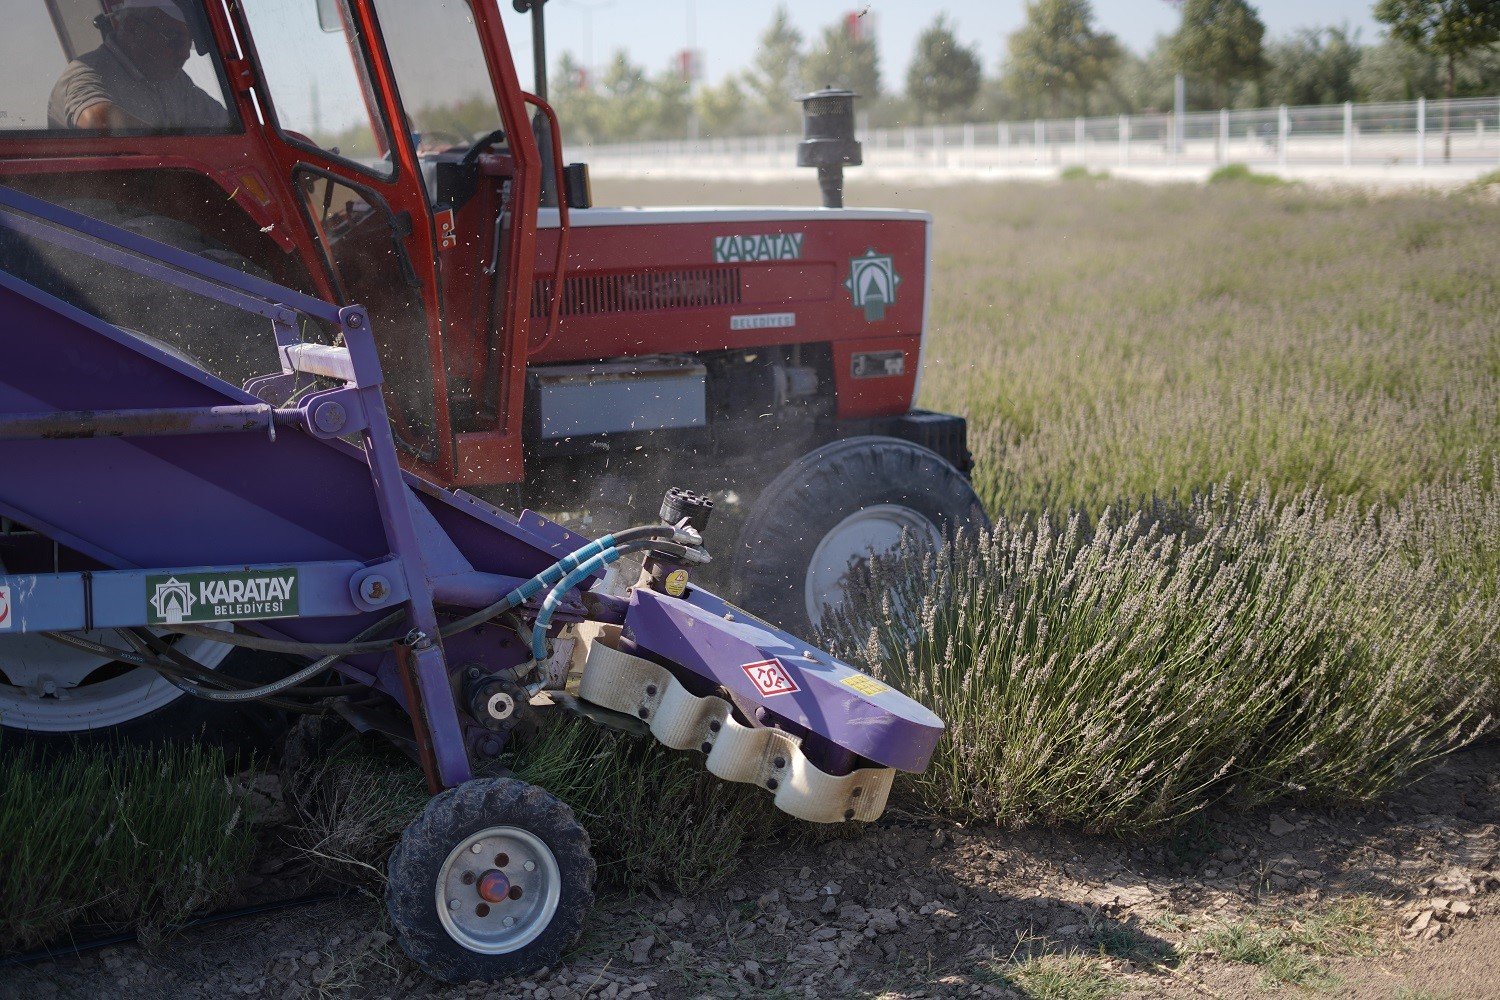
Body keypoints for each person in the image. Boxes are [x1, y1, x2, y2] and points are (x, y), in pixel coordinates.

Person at [48, 0, 229, 132]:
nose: (185, 54)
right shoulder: (86, 72)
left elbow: (226, 124)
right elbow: (96, 119)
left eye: (188, 43)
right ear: (133, 28)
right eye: (174, 40)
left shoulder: (174, 81)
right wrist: (174, 150)